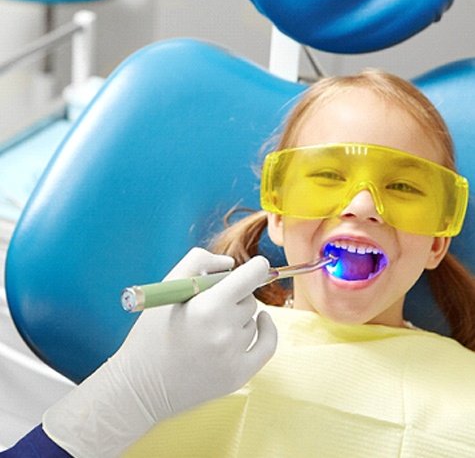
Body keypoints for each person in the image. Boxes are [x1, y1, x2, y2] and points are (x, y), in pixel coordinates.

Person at [4, 69, 475, 457]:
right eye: (327, 177)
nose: (362, 205)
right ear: (277, 215)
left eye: (405, 188)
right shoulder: (188, 355)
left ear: (437, 242)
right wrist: (129, 393)